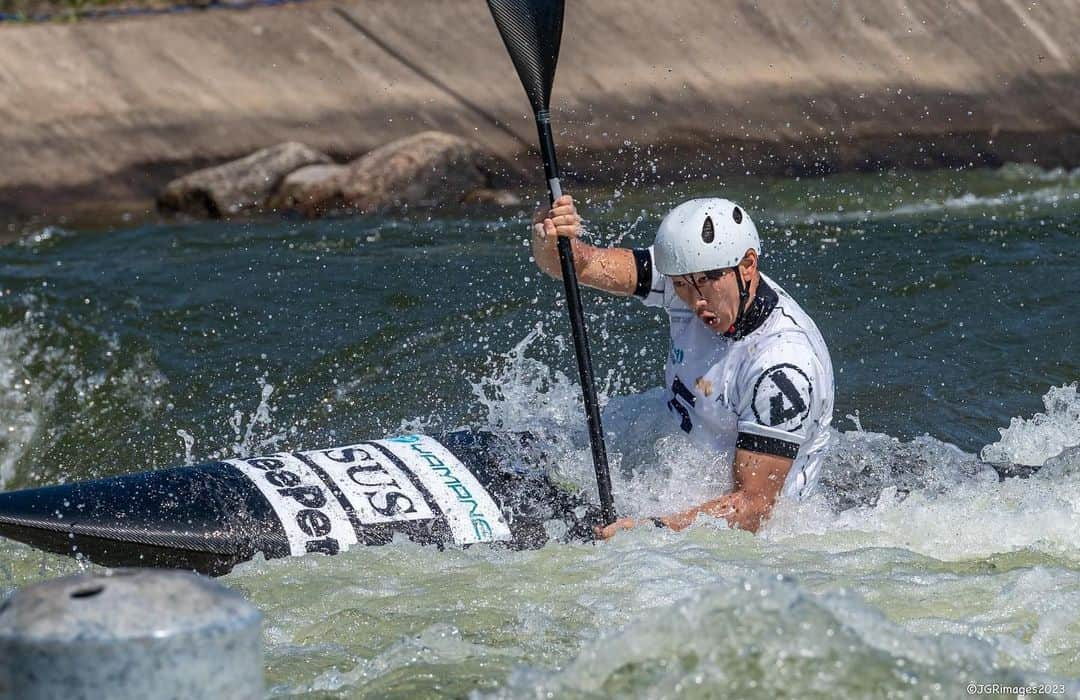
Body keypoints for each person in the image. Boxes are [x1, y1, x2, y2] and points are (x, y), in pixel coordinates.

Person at [532, 195, 834, 537]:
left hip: (749, 540)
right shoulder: (688, 273)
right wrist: (552, 231)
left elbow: (753, 509)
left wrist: (650, 530)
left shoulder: (781, 367)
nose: (696, 301)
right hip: (679, 466)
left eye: (707, 282)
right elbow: (575, 265)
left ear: (748, 265)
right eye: (680, 285)